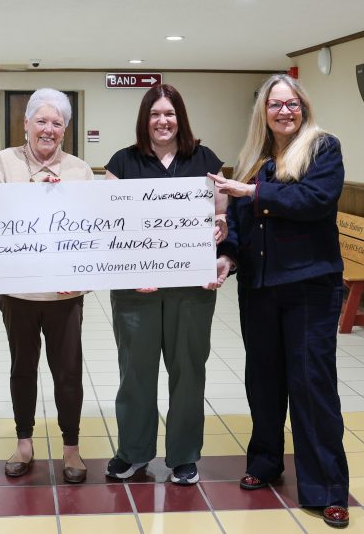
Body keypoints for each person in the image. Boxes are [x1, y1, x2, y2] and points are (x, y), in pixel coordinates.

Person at [210, 74, 350, 529]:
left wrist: (253, 193)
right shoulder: (252, 157)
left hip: (310, 287)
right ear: (263, 112)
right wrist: (228, 256)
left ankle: (327, 488)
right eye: (275, 105)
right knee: (264, 381)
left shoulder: (323, 148)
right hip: (260, 288)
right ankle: (266, 461)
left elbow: (315, 199)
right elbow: (239, 222)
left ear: (303, 108)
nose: (284, 111)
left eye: (291, 104)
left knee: (312, 385)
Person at [103, 84, 227, 486]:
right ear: (145, 119)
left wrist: (221, 228)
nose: (162, 121)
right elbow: (105, 224)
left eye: (169, 114)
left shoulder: (205, 161)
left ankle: (184, 456)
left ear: (180, 118)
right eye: (155, 114)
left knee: (188, 370)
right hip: (134, 289)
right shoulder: (122, 162)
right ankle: (133, 452)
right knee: (135, 372)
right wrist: (128, 270)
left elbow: (222, 216)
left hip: (191, 290)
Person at [0, 88, 94, 484]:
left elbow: (92, 230)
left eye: (57, 123)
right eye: (41, 121)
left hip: (66, 293)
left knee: (68, 371)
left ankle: (71, 447)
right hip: (19, 291)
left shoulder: (81, 170)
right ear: (26, 124)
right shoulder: (3, 162)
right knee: (22, 368)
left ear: (65, 130)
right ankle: (24, 443)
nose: (48, 129)